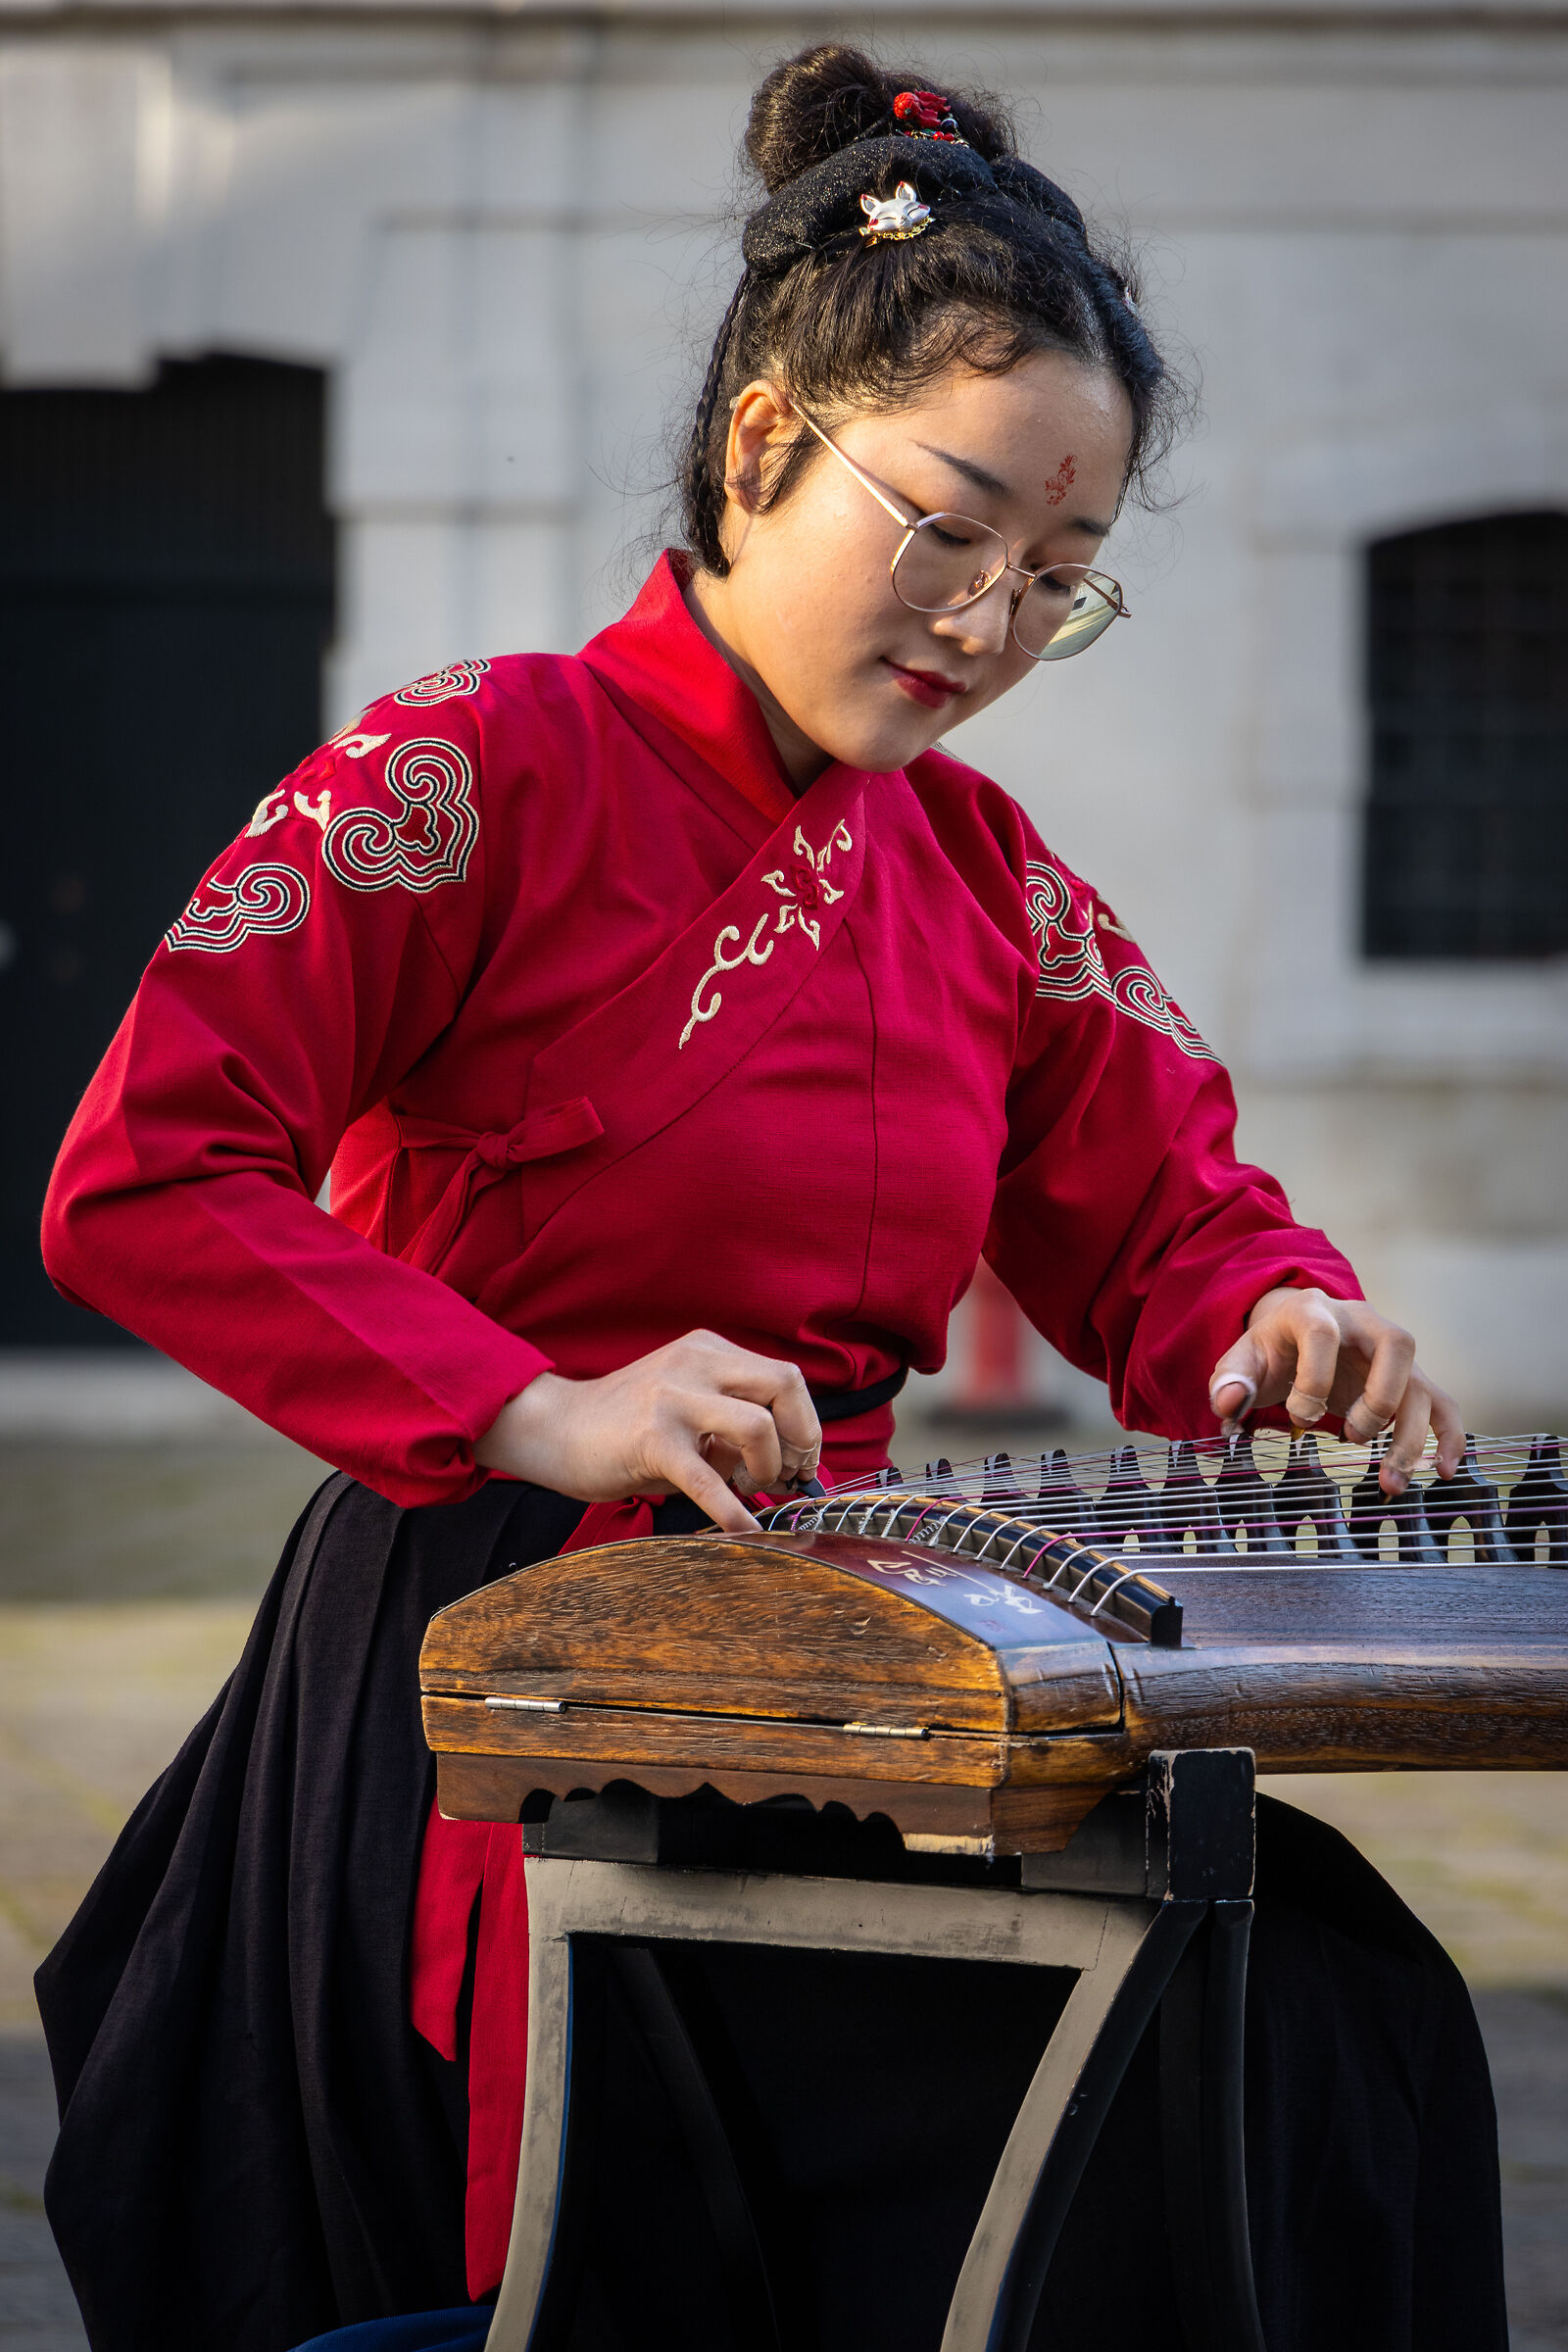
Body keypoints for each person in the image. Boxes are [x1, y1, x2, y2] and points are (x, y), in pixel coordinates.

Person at [35, 41, 1504, 2352]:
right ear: (758, 446)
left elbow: (1164, 1219)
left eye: (1059, 574)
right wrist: (539, 1405)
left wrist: (1267, 1324)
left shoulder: (977, 875)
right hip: (501, 1689)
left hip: (827, 1668)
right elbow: (145, 1177)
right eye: (951, 528)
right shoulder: (478, 765)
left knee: (1323, 1997)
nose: (994, 618)